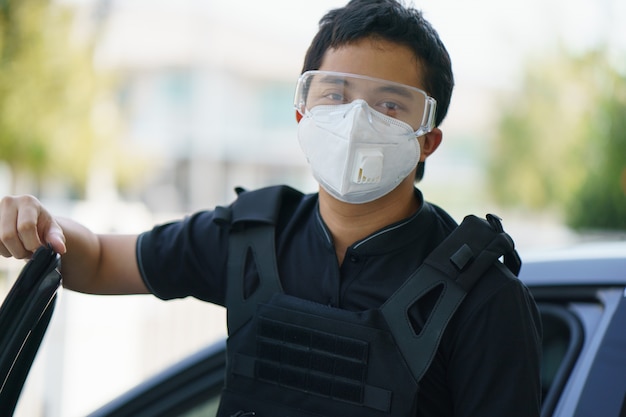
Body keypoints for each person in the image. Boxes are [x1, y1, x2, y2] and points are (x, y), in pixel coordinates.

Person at [0, 0, 542, 415]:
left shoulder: (485, 299)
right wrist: (39, 223)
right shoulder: (252, 236)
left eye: (389, 104)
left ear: (428, 140)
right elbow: (93, 258)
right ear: (304, 113)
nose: (356, 119)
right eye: (334, 94)